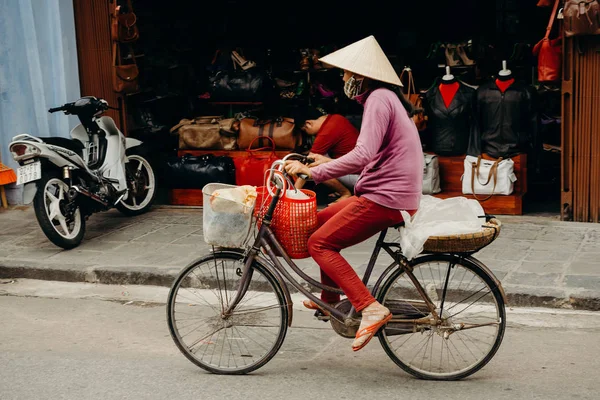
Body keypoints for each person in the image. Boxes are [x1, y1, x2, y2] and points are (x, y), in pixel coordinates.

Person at [285, 35, 424, 352]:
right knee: (317, 223)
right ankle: (330, 300)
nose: (344, 79)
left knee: (319, 243)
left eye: (347, 74)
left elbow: (362, 156)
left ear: (361, 76)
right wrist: (328, 162)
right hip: (385, 192)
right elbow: (372, 156)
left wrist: (315, 172)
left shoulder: (379, 99)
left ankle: (369, 307)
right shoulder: (385, 98)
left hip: (385, 198)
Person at [293, 106, 360, 202]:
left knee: (315, 166)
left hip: (358, 178)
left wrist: (293, 192)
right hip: (362, 171)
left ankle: (345, 193)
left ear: (308, 124)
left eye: (304, 130)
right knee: (320, 158)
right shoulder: (336, 118)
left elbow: (308, 164)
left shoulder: (326, 133)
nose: (308, 134)